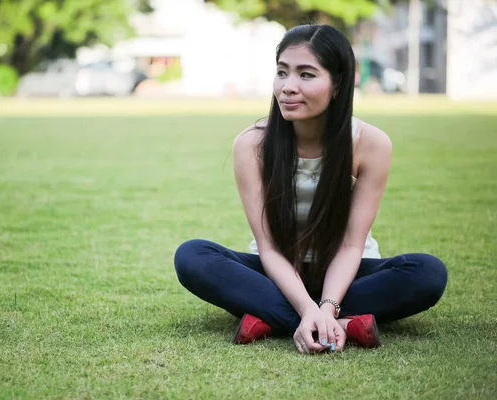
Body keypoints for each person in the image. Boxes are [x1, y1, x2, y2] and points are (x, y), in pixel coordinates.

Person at [173, 24, 447, 354]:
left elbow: (350, 245)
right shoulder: (252, 144)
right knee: (192, 256)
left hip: (346, 273)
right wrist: (306, 308)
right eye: (282, 72)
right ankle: (335, 325)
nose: (288, 87)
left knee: (427, 274)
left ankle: (274, 316)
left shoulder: (370, 144)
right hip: (277, 268)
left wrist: (327, 306)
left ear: (338, 84)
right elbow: (269, 247)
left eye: (306, 75)